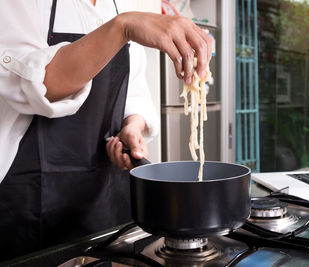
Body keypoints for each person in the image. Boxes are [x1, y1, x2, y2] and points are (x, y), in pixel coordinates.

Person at [0, 0, 212, 261]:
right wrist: (122, 27)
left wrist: (132, 124)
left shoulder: (115, 5)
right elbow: (33, 83)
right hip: (30, 204)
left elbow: (133, 89)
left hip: (104, 198)